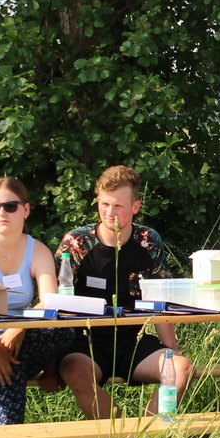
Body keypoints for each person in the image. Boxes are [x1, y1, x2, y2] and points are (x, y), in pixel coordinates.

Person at [55, 165, 195, 418]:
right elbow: (54, 299)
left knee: (181, 368)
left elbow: (160, 296)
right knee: (75, 371)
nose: (110, 213)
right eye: (104, 204)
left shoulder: (148, 241)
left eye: (118, 206)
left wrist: (171, 348)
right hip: (85, 342)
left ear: (136, 206)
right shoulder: (77, 243)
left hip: (134, 338)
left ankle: (148, 437)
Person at [0, 175, 80, 425]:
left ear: (25, 210)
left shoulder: (37, 250)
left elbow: (51, 299)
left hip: (18, 336)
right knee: (12, 361)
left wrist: (20, 326)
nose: (1, 213)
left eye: (10, 206)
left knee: (65, 328)